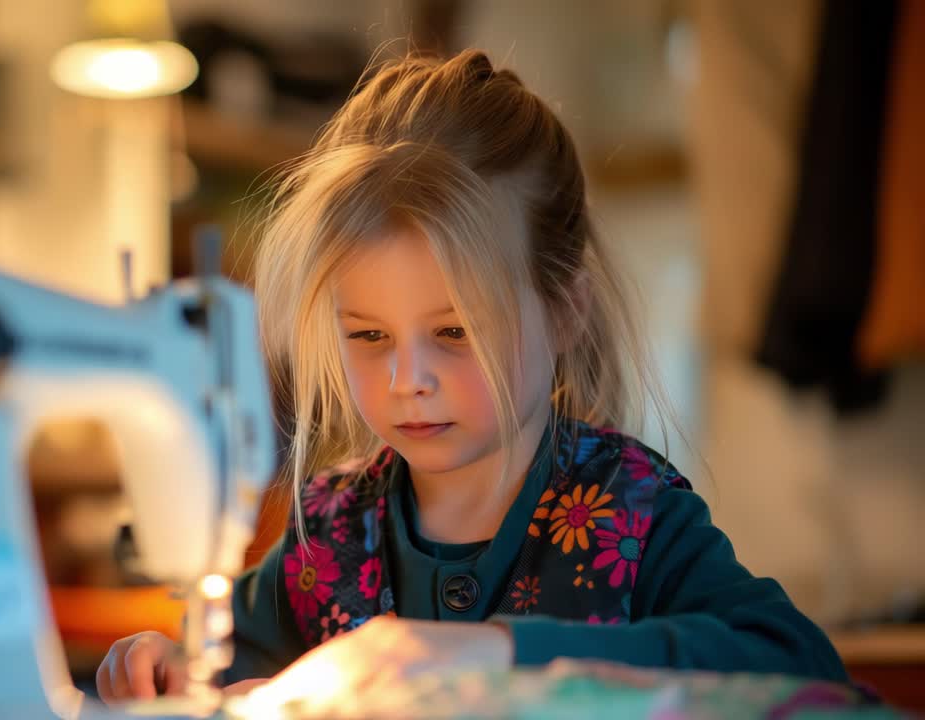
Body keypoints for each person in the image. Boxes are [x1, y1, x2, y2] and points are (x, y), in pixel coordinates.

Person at [95, 49, 847, 707]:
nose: (408, 377)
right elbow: (225, 674)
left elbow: (798, 666)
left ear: (563, 312)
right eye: (367, 335)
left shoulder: (634, 515)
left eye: (455, 332)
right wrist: (166, 671)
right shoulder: (327, 532)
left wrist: (497, 652)